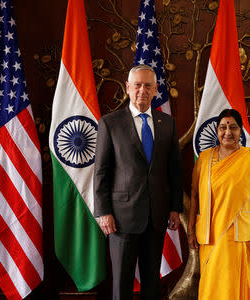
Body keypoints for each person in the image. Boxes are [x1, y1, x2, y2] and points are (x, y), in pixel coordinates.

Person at [94, 65, 183, 300]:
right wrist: (103, 212)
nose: (142, 90)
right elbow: (101, 172)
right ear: (128, 88)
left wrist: (175, 208)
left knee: (151, 284)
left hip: (157, 216)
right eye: (137, 85)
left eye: (147, 86)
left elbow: (174, 170)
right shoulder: (109, 123)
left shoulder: (167, 123)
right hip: (121, 219)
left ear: (155, 90)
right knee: (121, 285)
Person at [188, 109, 250, 300]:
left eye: (233, 127)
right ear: (217, 131)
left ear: (241, 131)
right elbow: (194, 196)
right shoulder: (204, 159)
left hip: (241, 237)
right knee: (212, 286)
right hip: (210, 235)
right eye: (223, 127)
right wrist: (190, 230)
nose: (228, 132)